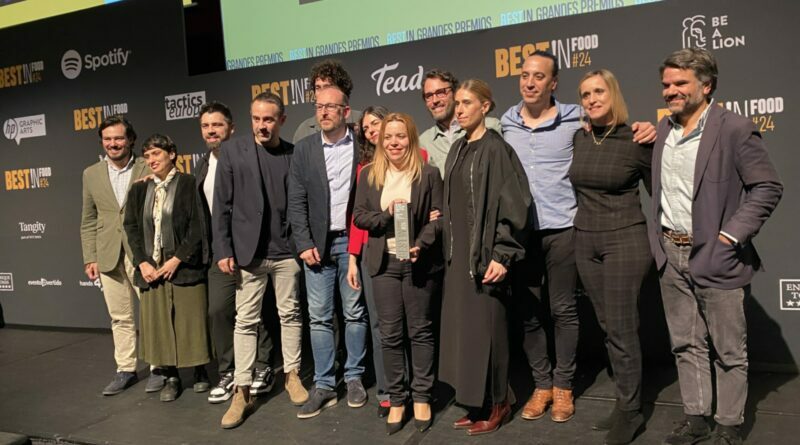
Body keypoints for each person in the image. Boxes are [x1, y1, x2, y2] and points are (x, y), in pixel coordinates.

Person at [501, 51, 655, 423]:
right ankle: (541, 386)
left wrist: (650, 128)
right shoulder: (506, 122)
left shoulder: (576, 118)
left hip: (566, 228)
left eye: (539, 76)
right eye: (525, 75)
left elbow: (614, 131)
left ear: (553, 83)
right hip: (522, 233)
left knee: (564, 311)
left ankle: (563, 386)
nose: (530, 82)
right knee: (528, 313)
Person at [651, 48, 782, 445]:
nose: (671, 91)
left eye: (680, 84)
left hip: (716, 254)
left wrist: (730, 236)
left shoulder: (734, 128)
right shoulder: (662, 131)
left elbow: (767, 187)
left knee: (729, 350)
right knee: (685, 344)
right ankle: (696, 419)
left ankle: (728, 425)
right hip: (669, 254)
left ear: (706, 86)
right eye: (666, 85)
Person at [439, 79, 531, 436]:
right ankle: (475, 403)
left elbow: (516, 206)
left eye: (466, 103)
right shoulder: (458, 149)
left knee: (490, 333)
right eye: (456, 103)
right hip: (458, 257)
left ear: (485, 107)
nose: (459, 109)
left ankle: (499, 402)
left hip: (486, 259)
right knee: (467, 334)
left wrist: (503, 254)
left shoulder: (497, 149)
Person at [213, 93, 308, 429]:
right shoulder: (232, 150)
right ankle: (242, 390)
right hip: (248, 253)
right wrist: (223, 249)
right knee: (246, 321)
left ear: (281, 120)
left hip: (286, 253)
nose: (261, 125)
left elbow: (301, 203)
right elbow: (221, 205)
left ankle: (292, 375)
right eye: (256, 118)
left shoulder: (293, 154)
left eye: (268, 119)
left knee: (291, 313)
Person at [569, 69, 653, 445]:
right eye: (585, 94)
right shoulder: (580, 137)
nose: (591, 99)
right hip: (585, 241)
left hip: (625, 240)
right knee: (607, 326)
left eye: (599, 91)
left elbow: (665, 194)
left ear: (613, 94)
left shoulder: (637, 139)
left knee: (621, 327)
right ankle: (624, 402)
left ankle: (631, 411)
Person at [352, 112, 443, 434]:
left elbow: (439, 219)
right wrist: (386, 215)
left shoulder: (429, 174)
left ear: (411, 139)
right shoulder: (369, 176)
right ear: (380, 140)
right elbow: (360, 217)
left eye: (400, 136)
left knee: (420, 331)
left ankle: (422, 396)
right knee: (389, 335)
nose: (394, 142)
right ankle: (398, 398)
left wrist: (421, 243)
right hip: (382, 265)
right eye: (388, 136)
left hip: (418, 262)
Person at [288, 85, 369, 419]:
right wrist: (304, 242)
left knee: (354, 313)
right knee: (319, 317)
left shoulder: (362, 147)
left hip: (351, 245)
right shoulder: (304, 149)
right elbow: (296, 201)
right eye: (318, 106)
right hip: (317, 247)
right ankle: (324, 384)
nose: (322, 112)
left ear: (346, 111)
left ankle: (354, 377)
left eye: (329, 107)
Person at [123, 134, 211, 403]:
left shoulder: (188, 184)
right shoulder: (140, 189)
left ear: (172, 154)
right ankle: (171, 376)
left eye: (156, 154)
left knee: (191, 320)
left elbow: (198, 226)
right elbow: (131, 228)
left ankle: (199, 371)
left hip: (182, 266)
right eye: (147, 156)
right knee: (159, 324)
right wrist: (142, 261)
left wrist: (178, 259)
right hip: (151, 268)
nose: (152, 160)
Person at [80, 115, 150, 396]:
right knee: (120, 317)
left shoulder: (148, 165)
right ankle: (126, 370)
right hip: (108, 254)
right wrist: (90, 257)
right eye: (108, 139)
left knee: (151, 313)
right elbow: (88, 218)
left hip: (143, 253)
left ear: (130, 139)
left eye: (119, 138)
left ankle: (159, 367)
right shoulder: (91, 173)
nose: (113, 144)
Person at [346, 105, 392, 418]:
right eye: (367, 127)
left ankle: (417, 387)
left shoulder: (420, 159)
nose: (371, 130)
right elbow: (356, 220)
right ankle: (388, 391)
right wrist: (352, 259)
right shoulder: (363, 170)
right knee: (378, 325)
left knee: (411, 325)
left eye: (377, 123)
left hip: (407, 253)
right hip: (372, 256)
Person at [418, 69, 502, 178]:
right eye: (429, 96)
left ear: (455, 93)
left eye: (440, 93)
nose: (434, 100)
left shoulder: (490, 126)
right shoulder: (423, 142)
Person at [292, 59, 363, 143]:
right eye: (318, 88)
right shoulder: (304, 130)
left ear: (341, 89)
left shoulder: (361, 120)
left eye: (327, 86)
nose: (322, 92)